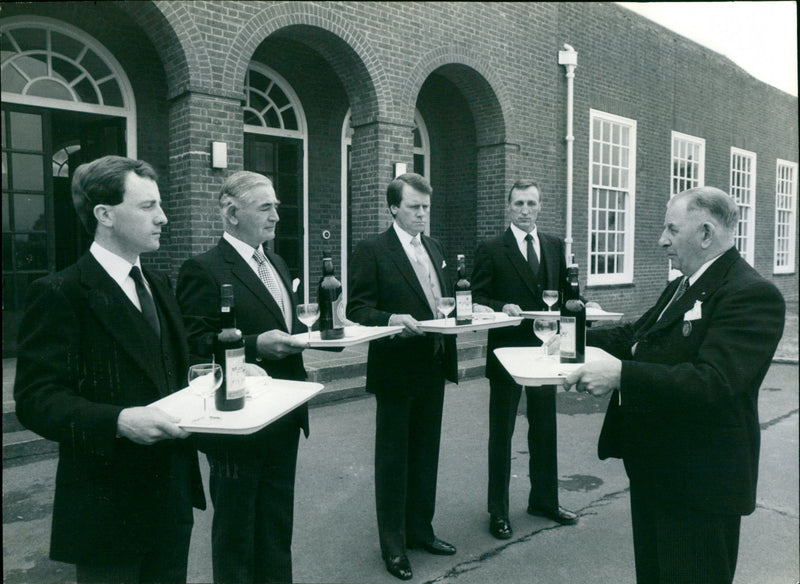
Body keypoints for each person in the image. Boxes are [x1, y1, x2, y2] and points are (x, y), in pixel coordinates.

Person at [564, 186, 785, 584]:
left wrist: (619, 375)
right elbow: (636, 336)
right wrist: (566, 338)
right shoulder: (683, 284)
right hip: (656, 468)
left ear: (704, 234)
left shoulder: (751, 294)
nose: (661, 239)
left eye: (670, 228)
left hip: (699, 486)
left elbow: (713, 382)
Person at [13, 155, 206, 584]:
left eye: (160, 206)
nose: (164, 218)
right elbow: (35, 399)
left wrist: (232, 375)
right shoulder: (61, 292)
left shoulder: (158, 284)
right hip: (107, 506)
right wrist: (118, 421)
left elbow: (173, 368)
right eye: (147, 207)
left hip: (171, 495)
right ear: (104, 215)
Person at [176, 171, 308, 584]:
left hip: (284, 415)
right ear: (231, 214)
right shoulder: (204, 269)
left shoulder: (277, 262)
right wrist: (253, 346)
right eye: (265, 207)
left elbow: (287, 326)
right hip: (237, 422)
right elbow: (194, 346)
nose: (276, 217)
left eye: (277, 208)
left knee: (276, 525)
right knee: (236, 534)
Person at [347, 173, 459, 581]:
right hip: (396, 370)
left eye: (426, 207)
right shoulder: (372, 250)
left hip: (433, 365)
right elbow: (357, 309)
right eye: (414, 207)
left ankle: (420, 530)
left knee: (426, 453)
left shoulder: (434, 247)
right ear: (394, 207)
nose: (422, 214)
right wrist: (391, 318)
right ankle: (393, 545)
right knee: (394, 460)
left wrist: (469, 313)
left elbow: (442, 300)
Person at [471, 180, 580, 540]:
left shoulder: (553, 245)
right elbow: (476, 297)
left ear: (540, 205)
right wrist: (501, 306)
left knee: (545, 429)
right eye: (518, 203)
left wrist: (584, 304)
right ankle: (498, 511)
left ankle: (545, 500)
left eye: (531, 202)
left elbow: (565, 294)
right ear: (508, 207)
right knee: (502, 434)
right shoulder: (491, 248)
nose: (525, 209)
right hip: (507, 353)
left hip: (546, 351)